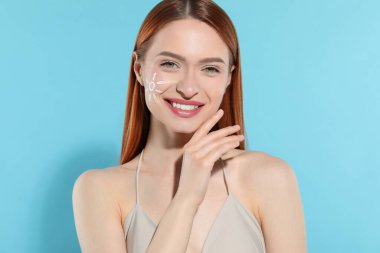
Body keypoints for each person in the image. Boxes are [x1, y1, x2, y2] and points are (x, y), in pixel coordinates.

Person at [72, 0, 307, 252]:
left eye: (210, 68)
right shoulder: (98, 190)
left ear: (229, 77)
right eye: (170, 64)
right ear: (139, 70)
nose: (188, 88)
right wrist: (186, 198)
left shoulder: (269, 177)